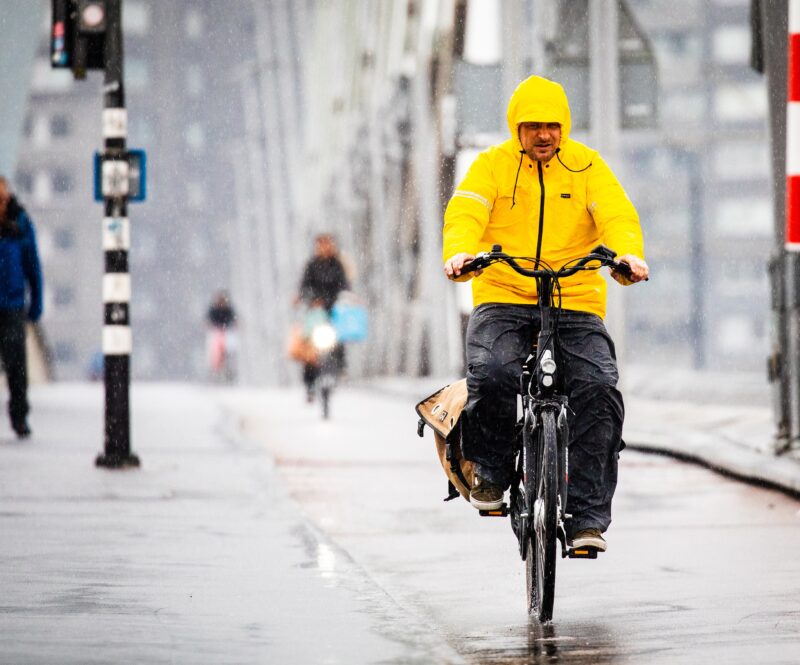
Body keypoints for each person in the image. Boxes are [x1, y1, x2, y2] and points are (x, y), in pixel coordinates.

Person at [443, 75, 648, 552]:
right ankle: (490, 471)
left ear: (564, 127)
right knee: (492, 373)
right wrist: (460, 253)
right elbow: (465, 212)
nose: (543, 135)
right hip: (504, 290)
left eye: (552, 126)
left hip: (573, 297)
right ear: (516, 126)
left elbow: (616, 214)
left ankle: (586, 516)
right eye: (533, 125)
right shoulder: (491, 167)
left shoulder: (586, 167)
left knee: (599, 387)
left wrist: (628, 255)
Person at [0, 176, 43, 439]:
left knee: (16, 364)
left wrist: (36, 303)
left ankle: (19, 415)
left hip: (14, 304)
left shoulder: (21, 223)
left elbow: (32, 265)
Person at [294, 233, 350, 399]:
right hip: (315, 313)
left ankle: (340, 368)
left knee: (339, 339)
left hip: (333, 311)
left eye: (328, 244)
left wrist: (344, 298)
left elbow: (345, 285)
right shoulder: (311, 266)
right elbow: (304, 286)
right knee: (309, 349)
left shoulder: (337, 265)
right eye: (321, 244)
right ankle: (309, 385)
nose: (325, 248)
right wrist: (311, 299)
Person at [206, 290, 237, 381]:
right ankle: (214, 367)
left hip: (227, 332)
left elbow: (234, 320)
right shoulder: (214, 310)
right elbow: (208, 321)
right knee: (214, 349)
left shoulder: (229, 310)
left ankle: (230, 366)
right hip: (216, 333)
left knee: (231, 347)